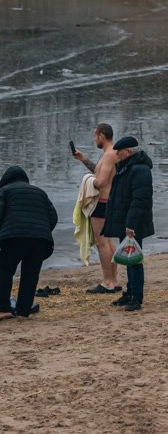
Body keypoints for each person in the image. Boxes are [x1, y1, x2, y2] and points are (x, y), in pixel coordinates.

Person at [0, 166, 58, 321]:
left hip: (13, 238)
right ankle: (23, 312)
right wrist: (41, 231)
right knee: (30, 275)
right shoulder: (40, 192)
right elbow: (53, 217)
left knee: (6, 272)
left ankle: (4, 309)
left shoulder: (4, 191)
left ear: (5, 180)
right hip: (40, 240)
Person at [105, 136, 154, 312]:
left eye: (119, 152)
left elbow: (139, 200)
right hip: (126, 222)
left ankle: (136, 297)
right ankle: (130, 292)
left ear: (128, 151)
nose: (117, 155)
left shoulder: (139, 170)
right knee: (128, 258)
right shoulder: (127, 168)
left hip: (133, 224)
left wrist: (130, 225)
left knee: (135, 260)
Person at [74, 124, 122, 293]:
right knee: (109, 242)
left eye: (95, 136)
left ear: (101, 136)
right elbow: (99, 171)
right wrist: (83, 159)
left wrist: (87, 181)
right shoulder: (112, 154)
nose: (95, 139)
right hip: (110, 202)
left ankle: (107, 282)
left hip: (102, 203)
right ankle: (114, 281)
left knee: (102, 243)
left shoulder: (109, 155)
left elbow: (100, 181)